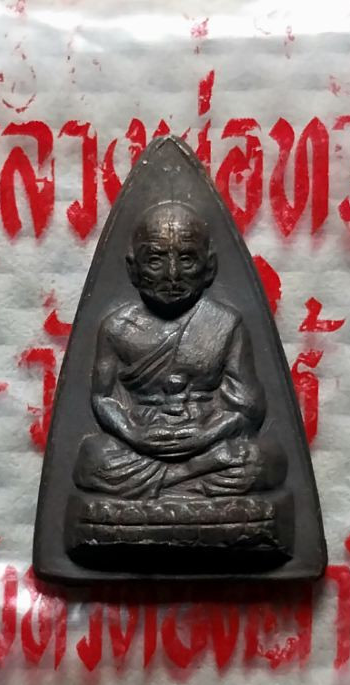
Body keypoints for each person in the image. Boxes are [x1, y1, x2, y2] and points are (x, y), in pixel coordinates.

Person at [73, 201, 286, 499]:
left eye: (187, 260)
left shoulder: (225, 323)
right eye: (155, 261)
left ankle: (169, 484)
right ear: (133, 269)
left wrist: (206, 435)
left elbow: (248, 408)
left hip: (206, 439)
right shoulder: (116, 327)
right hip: (141, 442)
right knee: (93, 458)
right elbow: (102, 397)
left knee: (265, 458)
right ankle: (189, 482)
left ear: (209, 268)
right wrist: (133, 433)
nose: (172, 275)